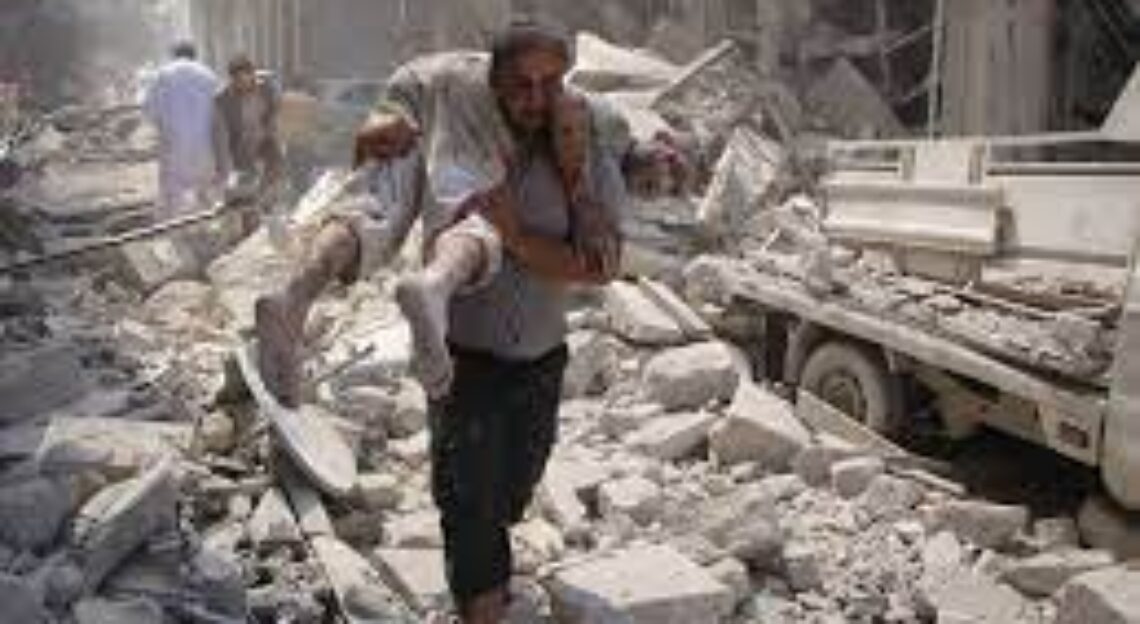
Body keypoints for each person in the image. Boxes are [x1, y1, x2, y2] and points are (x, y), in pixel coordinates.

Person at [254, 18, 680, 623]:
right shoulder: (456, 111)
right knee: (469, 512)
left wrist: (523, 234)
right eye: (520, 86)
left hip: (540, 361)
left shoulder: (589, 139)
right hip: (462, 362)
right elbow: (400, 104)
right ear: (494, 79)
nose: (535, 100)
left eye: (548, 86)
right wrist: (382, 119)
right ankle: (298, 294)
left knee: (510, 496)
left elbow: (599, 267)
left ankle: (491, 581)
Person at [142, 41, 220, 216]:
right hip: (205, 145)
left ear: (174, 55)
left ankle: (175, 225)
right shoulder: (208, 75)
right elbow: (219, 111)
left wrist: (162, 128)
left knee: (173, 195)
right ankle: (206, 223)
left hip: (173, 145)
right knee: (206, 191)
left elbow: (149, 110)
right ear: (194, 56)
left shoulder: (162, 74)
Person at [212, 54, 284, 228]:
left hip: (265, 141)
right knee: (244, 192)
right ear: (232, 80)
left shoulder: (266, 88)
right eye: (238, 81)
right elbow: (221, 136)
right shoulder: (222, 99)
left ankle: (269, 212)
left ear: (252, 75)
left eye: (247, 79)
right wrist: (223, 168)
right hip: (241, 147)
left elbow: (276, 109)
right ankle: (249, 225)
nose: (243, 85)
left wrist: (271, 128)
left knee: (272, 179)